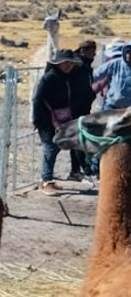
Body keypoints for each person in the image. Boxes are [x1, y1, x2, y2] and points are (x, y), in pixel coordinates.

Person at [32, 49, 82, 194]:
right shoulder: (49, 78)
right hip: (46, 119)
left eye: (71, 63)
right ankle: (46, 181)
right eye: (65, 63)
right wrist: (36, 119)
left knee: (56, 147)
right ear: (58, 64)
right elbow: (37, 99)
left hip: (62, 118)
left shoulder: (66, 78)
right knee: (50, 147)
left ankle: (46, 179)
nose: (68, 66)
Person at [68, 40, 99, 180]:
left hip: (83, 107)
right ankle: (80, 169)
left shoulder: (85, 65)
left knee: (79, 139)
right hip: (75, 107)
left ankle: (76, 170)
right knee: (77, 140)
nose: (94, 54)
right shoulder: (77, 66)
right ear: (83, 50)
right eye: (92, 51)